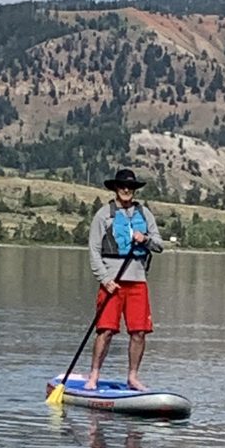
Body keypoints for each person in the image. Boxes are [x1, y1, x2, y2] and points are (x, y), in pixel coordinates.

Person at [87, 168, 164, 391]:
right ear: (115, 188)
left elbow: (159, 244)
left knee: (139, 332)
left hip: (138, 280)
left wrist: (145, 239)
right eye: (122, 186)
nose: (126, 190)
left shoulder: (145, 214)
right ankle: (94, 375)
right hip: (112, 281)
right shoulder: (103, 215)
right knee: (106, 330)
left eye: (130, 187)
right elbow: (94, 250)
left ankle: (132, 377)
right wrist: (104, 279)